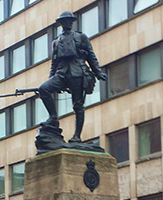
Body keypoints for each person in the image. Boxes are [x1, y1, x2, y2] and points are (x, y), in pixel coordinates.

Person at [38, 11, 107, 143]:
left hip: (78, 73)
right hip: (62, 73)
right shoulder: (56, 42)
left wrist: (98, 72)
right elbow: (54, 62)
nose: (67, 23)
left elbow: (91, 56)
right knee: (44, 89)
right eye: (65, 21)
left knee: (78, 105)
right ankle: (53, 117)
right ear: (61, 24)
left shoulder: (81, 37)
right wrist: (51, 77)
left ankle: (77, 135)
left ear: (72, 22)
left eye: (69, 21)